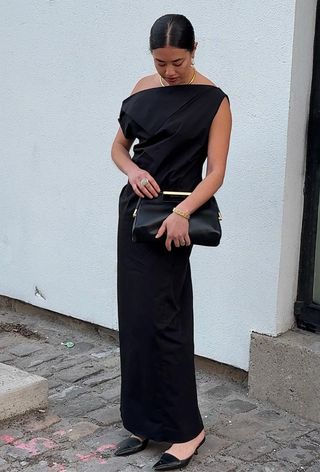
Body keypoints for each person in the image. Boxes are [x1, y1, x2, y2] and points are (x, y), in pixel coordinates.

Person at [111, 13, 232, 471]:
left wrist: (183, 212)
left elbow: (216, 171)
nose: (169, 72)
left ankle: (187, 429)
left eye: (177, 61)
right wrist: (133, 171)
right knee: (137, 320)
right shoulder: (143, 88)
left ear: (194, 49)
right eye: (161, 62)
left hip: (175, 220)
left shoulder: (215, 101)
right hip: (135, 216)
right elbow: (119, 149)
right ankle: (143, 422)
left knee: (167, 323)